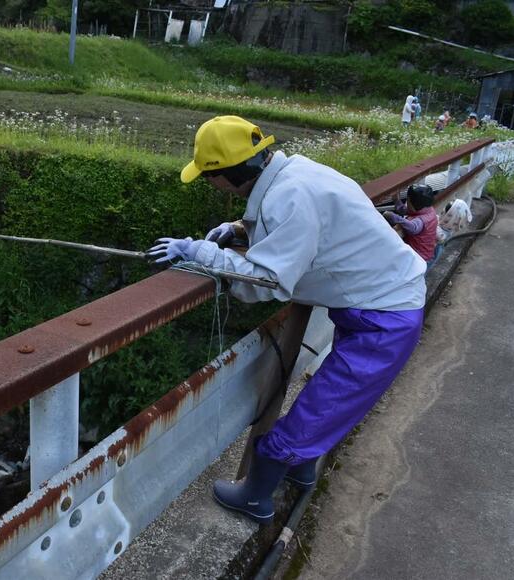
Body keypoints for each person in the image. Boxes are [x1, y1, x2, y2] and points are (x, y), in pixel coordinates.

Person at [147, 116, 426, 524]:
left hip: (385, 319)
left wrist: (197, 252)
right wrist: (239, 228)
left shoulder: (291, 195)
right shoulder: (296, 172)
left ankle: (256, 496)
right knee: (328, 401)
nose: (210, 185)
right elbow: (292, 230)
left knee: (322, 406)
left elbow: (264, 280)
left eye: (210, 177)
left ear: (229, 174)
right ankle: (300, 468)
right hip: (377, 304)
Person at [382, 185, 438, 268]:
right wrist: (396, 200)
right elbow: (407, 211)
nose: (407, 204)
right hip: (426, 254)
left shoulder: (422, 221)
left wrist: (395, 218)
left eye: (408, 201)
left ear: (415, 203)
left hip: (420, 259)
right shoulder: (428, 210)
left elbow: (413, 228)